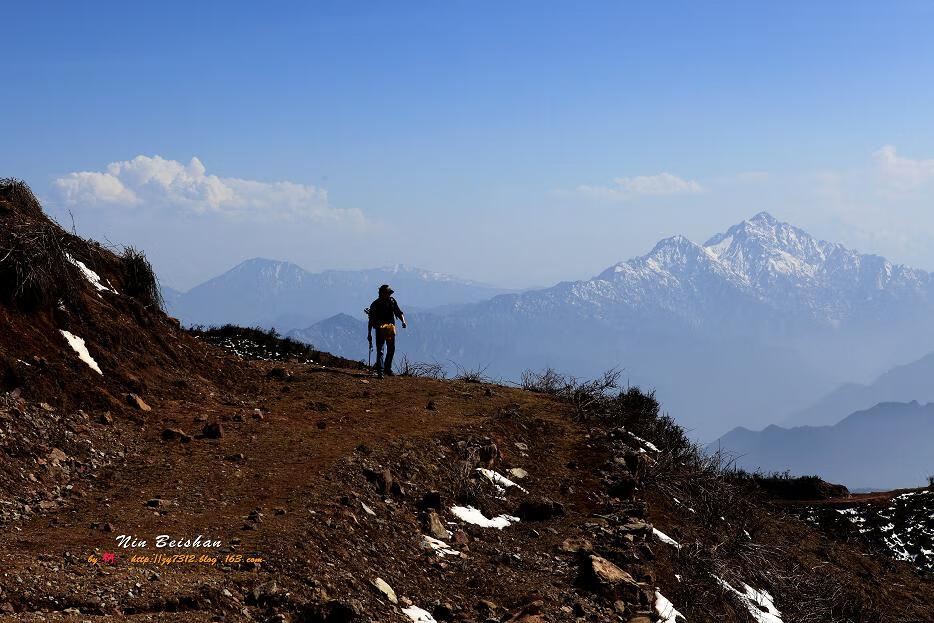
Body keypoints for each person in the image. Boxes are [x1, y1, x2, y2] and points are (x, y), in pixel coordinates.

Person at [367, 284, 406, 378]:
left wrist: (403, 321)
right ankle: (381, 371)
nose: (389, 295)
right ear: (382, 294)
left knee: (390, 348)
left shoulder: (391, 301)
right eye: (388, 293)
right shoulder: (376, 304)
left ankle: (386, 369)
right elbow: (371, 320)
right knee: (381, 350)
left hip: (389, 329)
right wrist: (369, 334)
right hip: (382, 329)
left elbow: (398, 312)